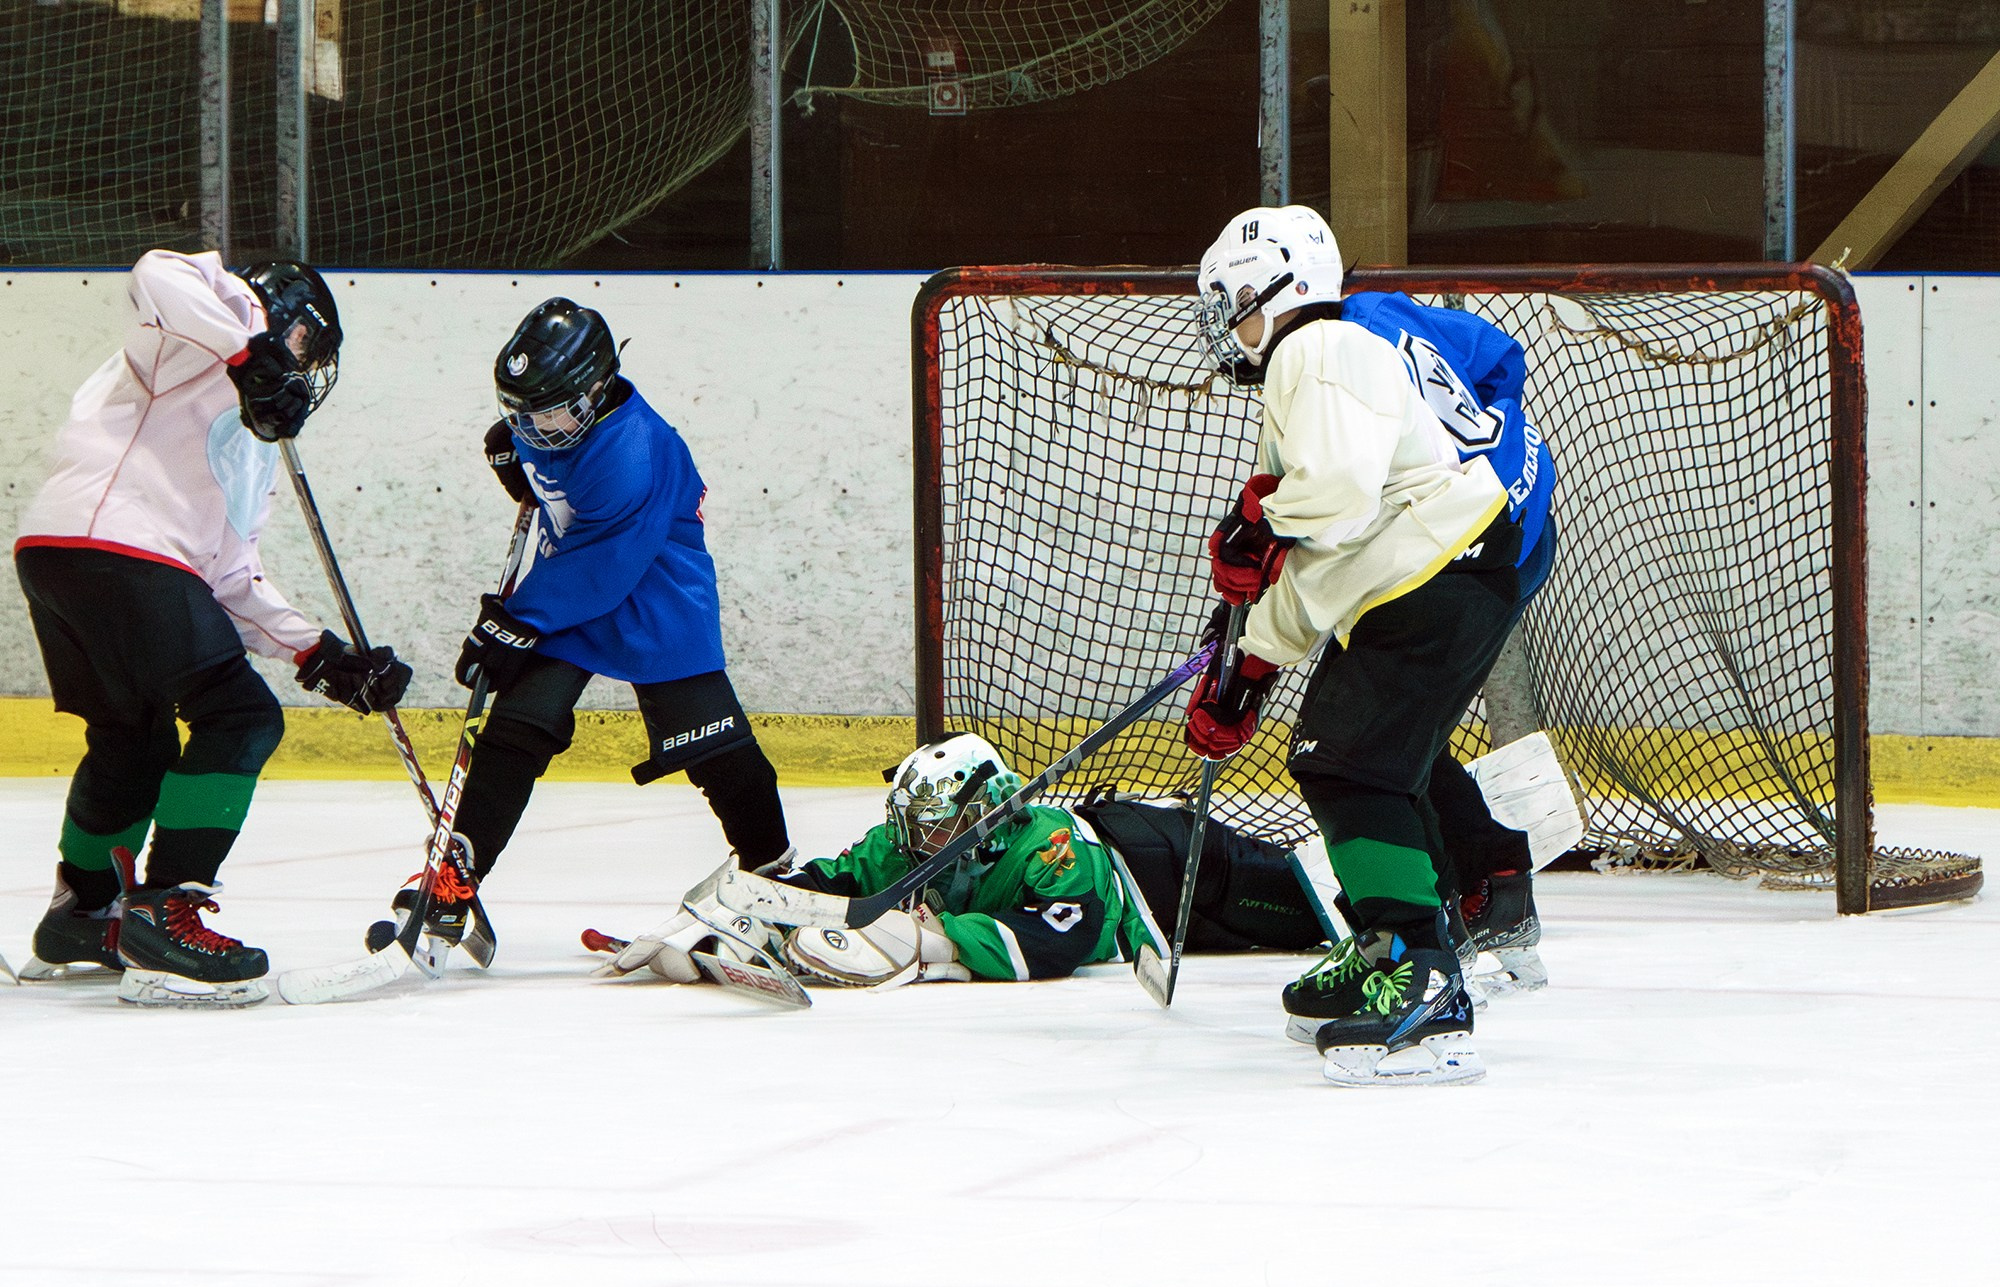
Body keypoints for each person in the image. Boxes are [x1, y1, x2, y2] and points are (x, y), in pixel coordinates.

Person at [14, 249, 408, 1006]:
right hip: (119, 550)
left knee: (134, 738)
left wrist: (319, 652)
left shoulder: (252, 442)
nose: (300, 366)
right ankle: (163, 914)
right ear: (286, 319)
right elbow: (154, 271)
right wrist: (249, 349)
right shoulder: (208, 321)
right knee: (239, 715)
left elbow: (229, 575)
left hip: (65, 558)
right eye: (304, 346)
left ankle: (80, 911)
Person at [1184, 204, 1522, 1086]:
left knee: (1350, 764)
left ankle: (1424, 976)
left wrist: (1263, 523)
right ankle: (1395, 948)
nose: (1229, 321)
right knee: (1351, 759)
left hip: (1440, 574)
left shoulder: (1315, 351)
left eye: (1235, 300)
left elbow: (1329, 501)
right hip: (1428, 577)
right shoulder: (1317, 369)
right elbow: (1324, 559)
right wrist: (1251, 665)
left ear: (1283, 288)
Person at [415, 297, 792, 939]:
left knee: (716, 749)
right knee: (515, 730)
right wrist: (520, 465)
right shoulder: (550, 419)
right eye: (523, 413)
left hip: (654, 598)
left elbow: (604, 564)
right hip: (573, 600)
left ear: (595, 388)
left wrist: (512, 622)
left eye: (549, 411)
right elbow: (552, 476)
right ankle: (455, 877)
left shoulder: (636, 449)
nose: (535, 427)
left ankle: (776, 879)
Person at [600, 733, 1335, 988]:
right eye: (912, 821)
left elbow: (1066, 937)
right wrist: (741, 911)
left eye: (934, 822)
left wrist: (942, 943)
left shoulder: (1050, 844)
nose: (914, 837)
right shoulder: (909, 841)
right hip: (1144, 867)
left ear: (983, 813)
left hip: (1170, 869)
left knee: (1315, 913)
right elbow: (837, 879)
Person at [1333, 285, 1561, 1000]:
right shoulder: (1379, 312)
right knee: (1401, 727)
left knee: (1377, 735)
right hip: (1516, 520)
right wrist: (1488, 445)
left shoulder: (1338, 353)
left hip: (1467, 544)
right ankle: (1484, 892)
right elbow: (1499, 356)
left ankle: (1455, 910)